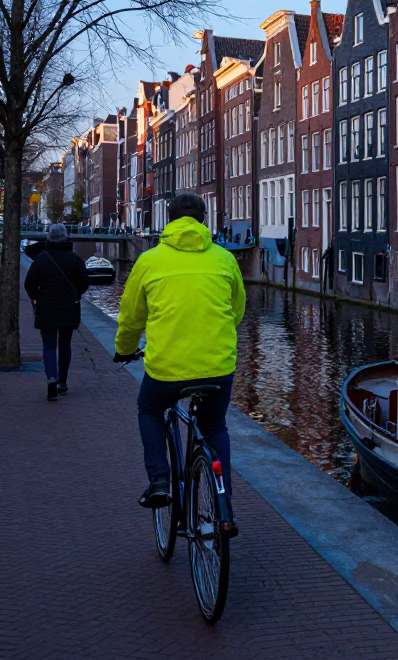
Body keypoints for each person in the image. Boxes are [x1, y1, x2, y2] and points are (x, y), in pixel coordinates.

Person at [113, 191, 246, 514]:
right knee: (215, 427)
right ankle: (223, 503)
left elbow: (132, 319)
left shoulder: (149, 260)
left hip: (167, 369)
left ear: (169, 220)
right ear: (203, 220)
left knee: (149, 408)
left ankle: (160, 480)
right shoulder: (224, 258)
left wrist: (124, 350)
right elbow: (236, 310)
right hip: (218, 366)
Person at [24, 222, 90, 401]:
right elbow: (84, 282)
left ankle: (51, 378)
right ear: (66, 237)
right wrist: (75, 294)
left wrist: (36, 296)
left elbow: (29, 283)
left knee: (49, 345)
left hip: (46, 306)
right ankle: (63, 381)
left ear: (49, 237)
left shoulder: (41, 258)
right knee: (65, 343)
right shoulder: (75, 259)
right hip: (69, 307)